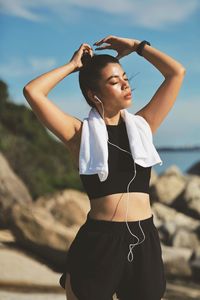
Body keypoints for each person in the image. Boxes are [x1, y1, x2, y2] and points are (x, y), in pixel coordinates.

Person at [23, 35, 186, 300]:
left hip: (144, 238)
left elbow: (176, 73)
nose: (125, 85)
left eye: (125, 78)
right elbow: (33, 91)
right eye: (114, 81)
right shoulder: (79, 134)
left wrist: (138, 48)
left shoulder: (143, 126)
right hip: (101, 243)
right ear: (93, 94)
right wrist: (72, 66)